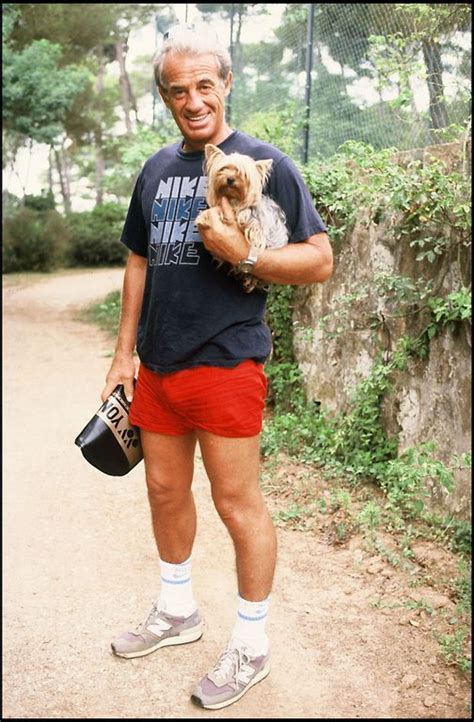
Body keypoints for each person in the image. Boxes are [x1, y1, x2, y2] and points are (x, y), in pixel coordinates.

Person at [101, 23, 333, 711]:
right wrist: (123, 352)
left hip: (227, 362)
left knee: (238, 505)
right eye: (179, 90)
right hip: (160, 366)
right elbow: (138, 259)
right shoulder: (154, 171)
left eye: (205, 85)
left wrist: (249, 257)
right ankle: (178, 611)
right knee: (165, 494)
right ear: (167, 98)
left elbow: (319, 259)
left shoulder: (267, 164)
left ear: (226, 84)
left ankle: (252, 646)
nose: (193, 99)